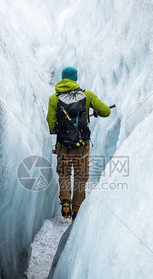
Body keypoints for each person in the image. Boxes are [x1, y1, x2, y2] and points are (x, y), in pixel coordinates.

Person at [46, 67, 111, 219]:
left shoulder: (54, 98)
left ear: (62, 78)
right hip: (82, 146)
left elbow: (51, 123)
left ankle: (65, 201)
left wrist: (59, 130)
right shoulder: (87, 95)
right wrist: (93, 111)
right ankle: (76, 209)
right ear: (75, 78)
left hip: (63, 145)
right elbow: (106, 112)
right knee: (81, 176)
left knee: (64, 173)